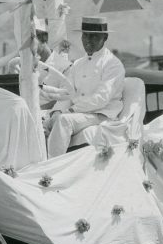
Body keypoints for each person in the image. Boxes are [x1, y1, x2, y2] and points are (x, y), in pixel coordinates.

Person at [44, 16, 125, 157]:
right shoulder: (78, 64)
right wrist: (56, 111)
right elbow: (66, 93)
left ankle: (51, 168)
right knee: (42, 118)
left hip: (101, 114)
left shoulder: (112, 63)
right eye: (85, 35)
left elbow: (101, 99)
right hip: (78, 113)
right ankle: (34, 164)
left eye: (94, 36)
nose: (88, 40)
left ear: (104, 37)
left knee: (63, 121)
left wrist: (69, 111)